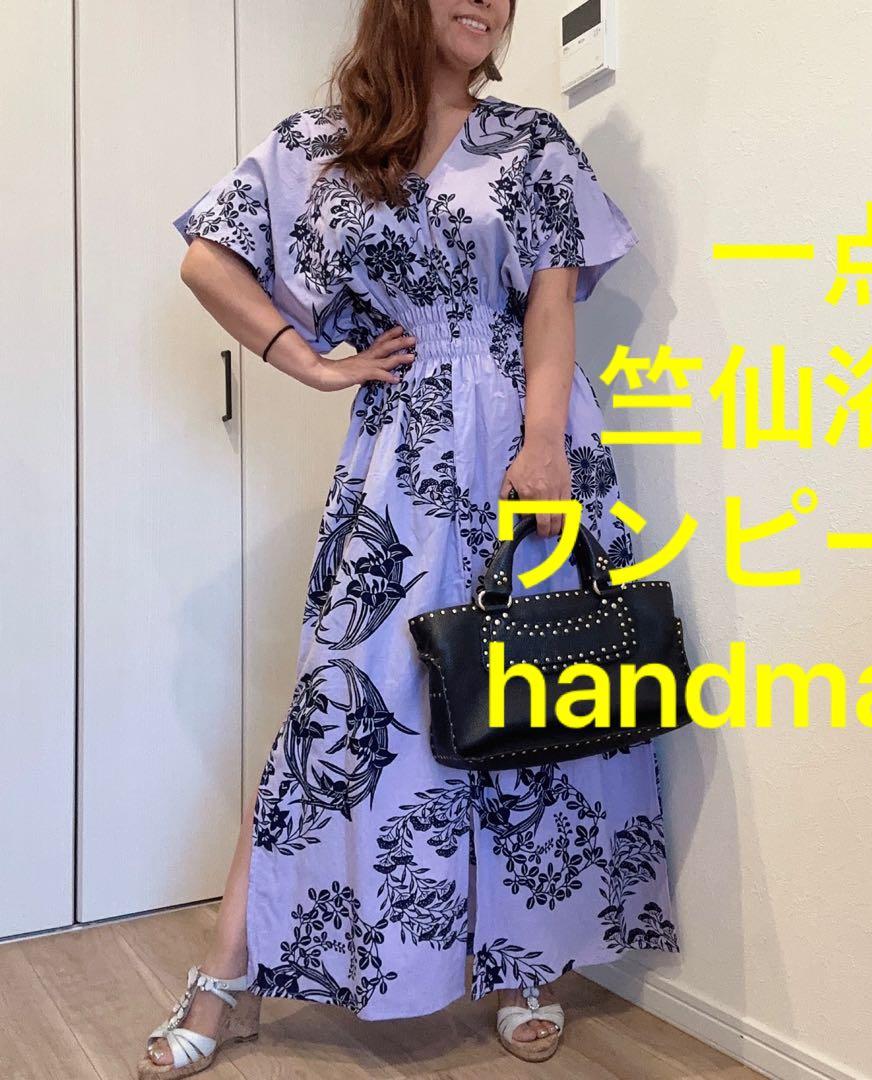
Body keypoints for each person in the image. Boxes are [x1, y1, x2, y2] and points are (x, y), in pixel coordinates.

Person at [140, 0, 678, 1074]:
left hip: (529, 442)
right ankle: (228, 971)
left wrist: (543, 447)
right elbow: (208, 259)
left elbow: (552, 307)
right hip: (401, 451)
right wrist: (307, 359)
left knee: (533, 695)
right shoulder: (316, 146)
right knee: (343, 701)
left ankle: (528, 960)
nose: (490, 2)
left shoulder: (528, 140)